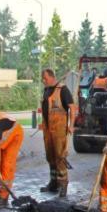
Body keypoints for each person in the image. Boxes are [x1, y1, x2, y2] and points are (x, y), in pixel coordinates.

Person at [40, 69, 75, 197]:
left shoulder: (63, 90)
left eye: (45, 78)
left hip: (59, 130)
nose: (43, 81)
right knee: (50, 157)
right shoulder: (46, 90)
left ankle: (63, 184)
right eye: (42, 79)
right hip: (48, 130)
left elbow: (72, 107)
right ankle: (53, 183)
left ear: (52, 77)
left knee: (60, 157)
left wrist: (71, 125)